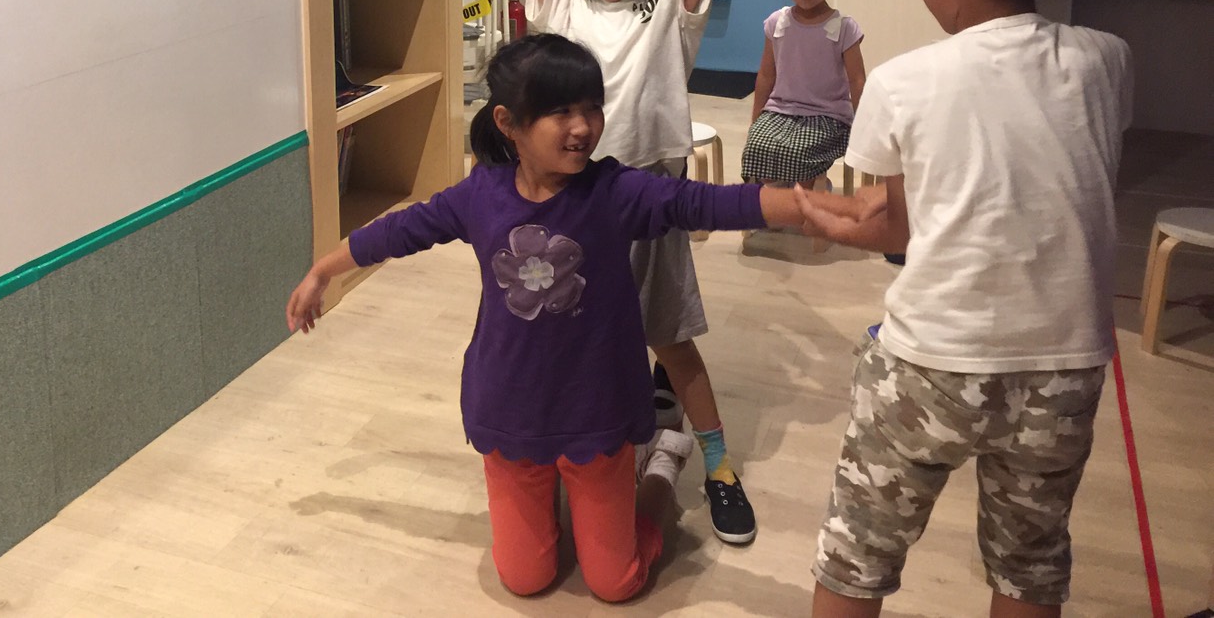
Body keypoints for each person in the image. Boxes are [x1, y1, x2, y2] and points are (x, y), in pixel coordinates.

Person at [286, 34, 853, 601]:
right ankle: (563, 494)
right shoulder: (480, 195)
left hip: (597, 410)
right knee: (524, 579)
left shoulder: (615, 191)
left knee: (616, 583)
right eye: (560, 112)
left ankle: (662, 464)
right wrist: (323, 271)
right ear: (508, 123)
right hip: (510, 412)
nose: (583, 126)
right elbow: (401, 229)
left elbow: (705, 202)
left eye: (591, 108)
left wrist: (812, 207)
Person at [794, 0, 1135, 618]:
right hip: (1065, 367)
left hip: (933, 361)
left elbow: (896, 227)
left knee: (857, 552)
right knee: (1030, 564)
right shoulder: (1107, 61)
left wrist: (820, 216)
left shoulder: (902, 81)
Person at [519, 0, 759, 547]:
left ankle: (718, 465)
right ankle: (580, 453)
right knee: (571, 333)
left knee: (670, 338)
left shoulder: (669, 5)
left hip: (646, 195)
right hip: (570, 198)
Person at [741, 0, 866, 191]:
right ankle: (778, 199)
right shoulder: (777, 23)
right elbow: (766, 75)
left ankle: (808, 195)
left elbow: (857, 80)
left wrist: (864, 125)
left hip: (828, 115)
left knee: (800, 152)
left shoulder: (843, 27)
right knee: (757, 145)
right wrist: (756, 119)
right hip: (781, 110)